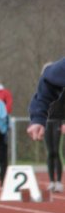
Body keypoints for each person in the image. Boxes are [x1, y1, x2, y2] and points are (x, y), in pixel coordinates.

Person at [27, 58, 65, 191]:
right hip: (51, 122)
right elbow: (48, 82)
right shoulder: (57, 71)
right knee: (52, 152)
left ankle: (58, 181)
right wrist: (38, 117)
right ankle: (53, 181)